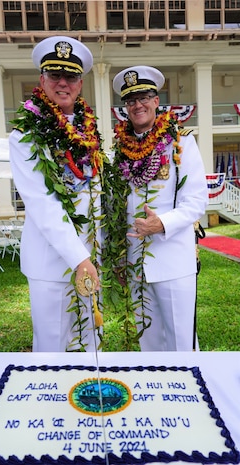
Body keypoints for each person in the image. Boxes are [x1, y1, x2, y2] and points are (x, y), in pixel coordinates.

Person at [9, 36, 105, 352]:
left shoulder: (90, 132)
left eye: (71, 76)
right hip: (51, 264)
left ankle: (91, 401)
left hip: (93, 255)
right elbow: (42, 204)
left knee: (92, 341)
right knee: (52, 348)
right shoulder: (25, 135)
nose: (63, 83)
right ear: (42, 80)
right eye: (55, 75)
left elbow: (98, 193)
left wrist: (101, 252)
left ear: (80, 83)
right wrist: (81, 258)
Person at [105, 65, 208, 351]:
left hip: (173, 258)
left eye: (144, 97)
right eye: (130, 100)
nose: (137, 105)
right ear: (125, 107)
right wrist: (119, 257)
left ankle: (189, 393)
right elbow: (116, 206)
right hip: (135, 262)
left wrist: (161, 223)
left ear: (156, 101)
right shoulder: (118, 149)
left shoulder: (180, 140)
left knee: (181, 342)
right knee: (147, 342)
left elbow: (197, 199)